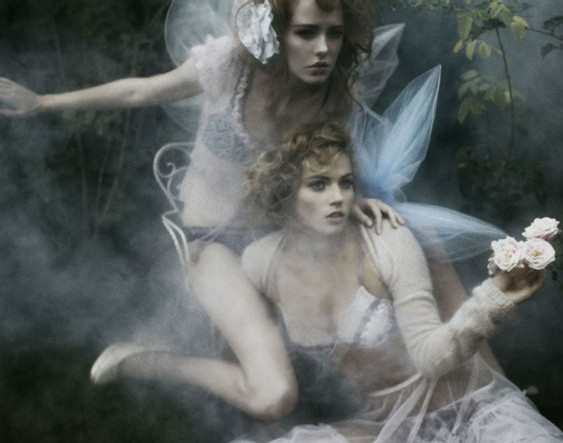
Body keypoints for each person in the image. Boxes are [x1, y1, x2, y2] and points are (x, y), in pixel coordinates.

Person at [0, 0, 404, 421]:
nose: (323, 49)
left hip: (280, 240)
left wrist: (354, 197)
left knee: (383, 252)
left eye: (334, 34)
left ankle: (389, 388)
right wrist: (42, 101)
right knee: (274, 397)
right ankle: (146, 360)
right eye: (306, 32)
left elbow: (326, 167)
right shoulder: (230, 65)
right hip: (212, 243)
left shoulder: (334, 96)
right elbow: (140, 90)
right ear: (277, 34)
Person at [238, 121, 563, 442]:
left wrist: (493, 299)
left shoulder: (387, 240)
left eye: (346, 183)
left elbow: (429, 357)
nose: (338, 197)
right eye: (319, 184)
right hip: (385, 427)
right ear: (285, 191)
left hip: (467, 412)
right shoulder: (260, 261)